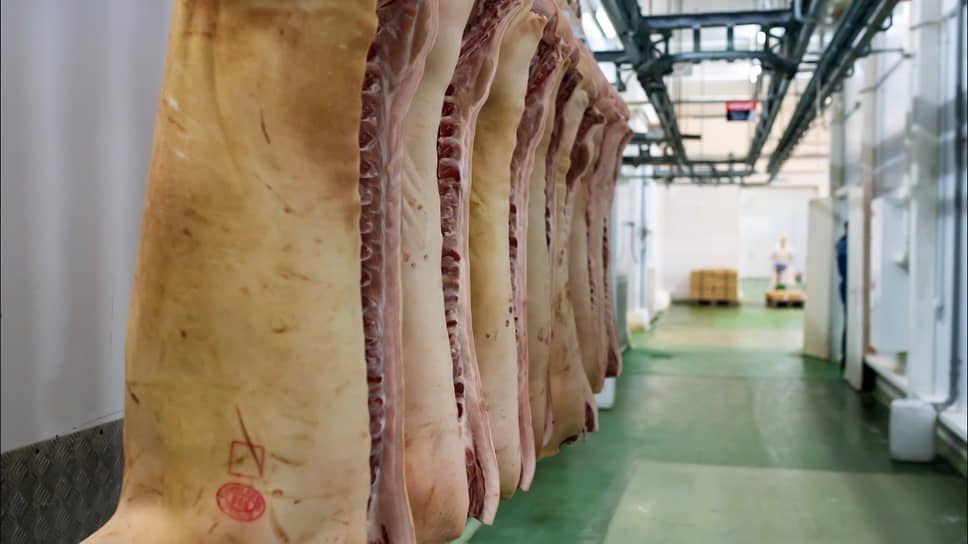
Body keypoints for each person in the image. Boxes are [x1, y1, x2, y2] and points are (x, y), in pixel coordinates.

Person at [836, 222, 848, 369]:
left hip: (847, 288)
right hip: (848, 289)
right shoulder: (844, 245)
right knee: (849, 325)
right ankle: (846, 358)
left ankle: (846, 358)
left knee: (848, 325)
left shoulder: (841, 244)